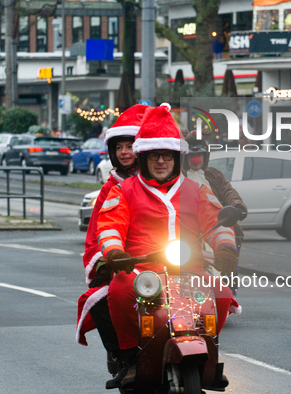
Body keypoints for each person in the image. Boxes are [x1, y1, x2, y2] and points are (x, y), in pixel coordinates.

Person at [96, 104, 240, 390]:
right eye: (154, 156)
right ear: (144, 157)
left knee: (222, 294)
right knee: (119, 291)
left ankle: (211, 352)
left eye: (166, 155)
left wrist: (225, 248)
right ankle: (130, 359)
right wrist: (115, 253)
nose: (161, 161)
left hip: (190, 266)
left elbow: (218, 220)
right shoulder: (123, 190)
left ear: (176, 157)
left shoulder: (197, 189)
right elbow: (110, 225)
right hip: (141, 269)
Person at [76, 104, 148, 358]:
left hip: (162, 255)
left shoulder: (161, 179)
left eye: (129, 146)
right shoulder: (111, 187)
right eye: (119, 148)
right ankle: (123, 357)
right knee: (99, 300)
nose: (125, 152)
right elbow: (99, 229)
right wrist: (106, 261)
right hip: (122, 260)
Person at [182, 129, 247, 277]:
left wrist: (237, 206)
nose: (196, 159)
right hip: (190, 228)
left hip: (216, 223)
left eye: (199, 155)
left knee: (229, 249)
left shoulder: (213, 174)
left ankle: (229, 283)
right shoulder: (180, 176)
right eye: (192, 155)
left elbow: (228, 191)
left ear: (205, 156)